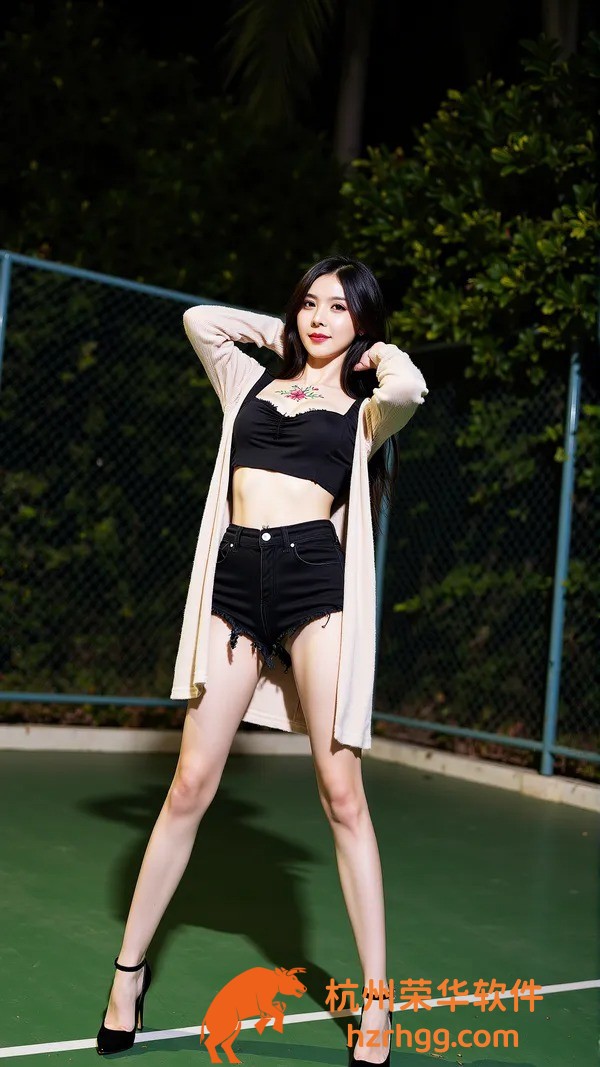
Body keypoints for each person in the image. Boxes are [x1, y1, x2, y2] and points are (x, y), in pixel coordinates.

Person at [96, 255, 428, 1065]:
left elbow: (411, 388)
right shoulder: (248, 384)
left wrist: (370, 354)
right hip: (237, 582)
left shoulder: (364, 410)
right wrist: (280, 335)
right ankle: (127, 977)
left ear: (362, 322)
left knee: (342, 795)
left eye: (339, 308)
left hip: (315, 583)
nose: (320, 318)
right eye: (309, 303)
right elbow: (201, 321)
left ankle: (376, 1002)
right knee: (189, 784)